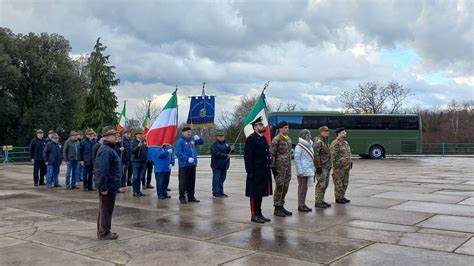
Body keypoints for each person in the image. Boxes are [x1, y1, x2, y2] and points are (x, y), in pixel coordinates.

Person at [94, 126, 122, 240]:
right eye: (113, 135)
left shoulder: (110, 149)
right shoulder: (106, 150)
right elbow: (102, 170)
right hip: (108, 185)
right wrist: (103, 187)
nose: (116, 136)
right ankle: (103, 232)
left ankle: (105, 230)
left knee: (106, 209)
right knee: (105, 209)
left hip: (111, 184)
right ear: (106, 137)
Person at [244, 116, 272, 223]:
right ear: (255, 127)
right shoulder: (251, 139)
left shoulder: (262, 138)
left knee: (260, 193)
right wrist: (250, 171)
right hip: (255, 171)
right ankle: (254, 215)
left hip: (263, 171)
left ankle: (259, 213)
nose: (262, 126)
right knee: (254, 194)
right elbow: (248, 157)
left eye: (262, 124)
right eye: (260, 125)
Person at [175, 127, 204, 204]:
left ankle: (191, 197)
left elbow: (202, 142)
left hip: (193, 164)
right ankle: (182, 197)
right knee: (183, 182)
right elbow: (178, 153)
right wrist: (186, 158)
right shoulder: (180, 141)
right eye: (187, 132)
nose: (189, 133)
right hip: (184, 165)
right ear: (183, 133)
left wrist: (199, 138)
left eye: (190, 132)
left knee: (191, 182)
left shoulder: (192, 140)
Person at [270, 121, 293, 217]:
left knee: (285, 187)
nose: (287, 129)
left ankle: (281, 205)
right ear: (280, 129)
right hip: (279, 168)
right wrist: (273, 167)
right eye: (285, 127)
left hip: (287, 167)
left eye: (287, 127)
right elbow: (271, 154)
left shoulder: (288, 139)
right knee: (279, 187)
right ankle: (277, 208)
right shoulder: (276, 139)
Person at [330, 127, 352, 204]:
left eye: (345, 132)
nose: (345, 133)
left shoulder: (346, 143)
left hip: (346, 167)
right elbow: (333, 156)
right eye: (343, 132)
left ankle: (342, 196)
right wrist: (338, 166)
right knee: (338, 183)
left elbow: (348, 154)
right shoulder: (335, 143)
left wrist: (350, 162)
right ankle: (338, 198)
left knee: (345, 183)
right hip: (339, 168)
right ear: (338, 134)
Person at [294, 129, 314, 212]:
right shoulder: (299, 146)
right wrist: (300, 171)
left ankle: (303, 204)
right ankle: (301, 205)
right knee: (302, 189)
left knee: (305, 189)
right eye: (308, 135)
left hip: (307, 170)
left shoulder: (309, 145)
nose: (310, 136)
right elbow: (297, 159)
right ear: (304, 136)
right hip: (302, 171)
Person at [210, 131, 234, 197]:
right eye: (220, 136)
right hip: (217, 165)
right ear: (217, 137)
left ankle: (220, 191)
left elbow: (229, 151)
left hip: (224, 164)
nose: (221, 137)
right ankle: (215, 191)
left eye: (222, 136)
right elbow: (216, 153)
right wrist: (226, 155)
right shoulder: (214, 145)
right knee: (216, 179)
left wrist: (231, 149)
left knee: (222, 179)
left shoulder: (226, 144)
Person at [313, 126, 332, 209]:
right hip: (321, 167)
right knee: (321, 184)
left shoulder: (325, 141)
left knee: (325, 184)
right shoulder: (318, 142)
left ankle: (321, 200)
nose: (328, 132)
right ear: (321, 132)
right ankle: (318, 201)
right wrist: (318, 167)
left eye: (328, 130)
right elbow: (315, 155)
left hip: (327, 166)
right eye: (326, 131)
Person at [131, 128, 148, 197]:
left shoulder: (144, 142)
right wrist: (138, 146)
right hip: (136, 161)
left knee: (140, 177)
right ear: (136, 135)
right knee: (135, 177)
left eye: (142, 134)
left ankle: (138, 191)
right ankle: (135, 191)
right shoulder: (133, 142)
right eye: (140, 134)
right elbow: (133, 151)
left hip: (143, 161)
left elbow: (145, 151)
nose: (141, 135)